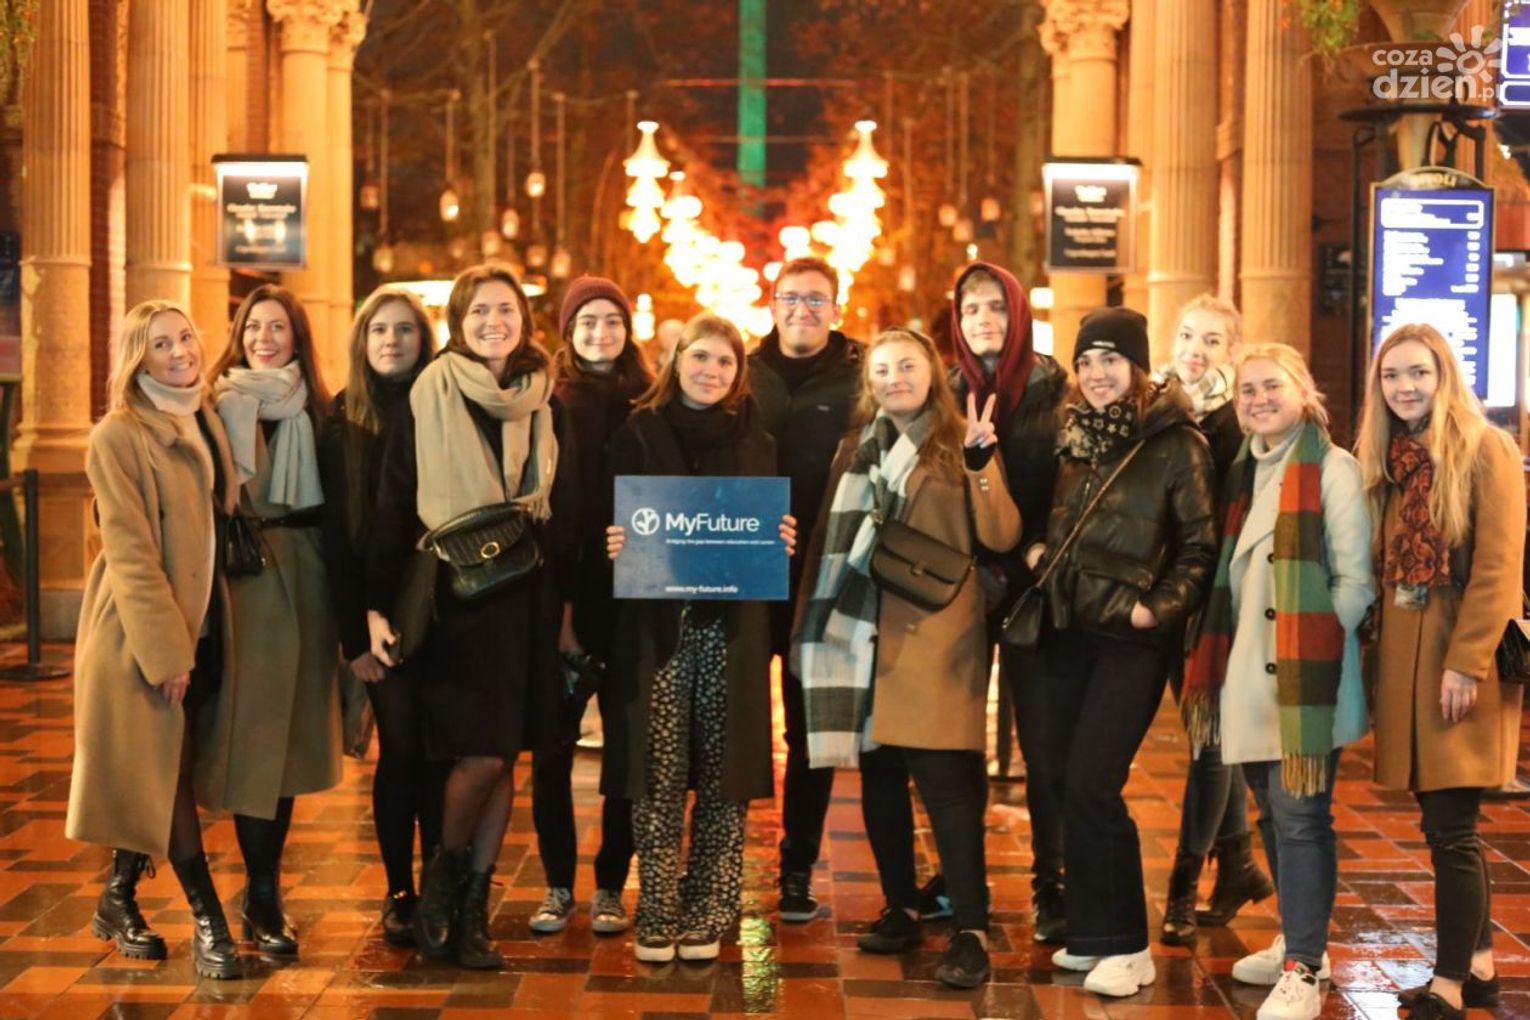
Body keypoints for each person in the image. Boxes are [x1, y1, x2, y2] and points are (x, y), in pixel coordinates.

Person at [795, 327, 1021, 989]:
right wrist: (809, 626)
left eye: (907, 366)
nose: (895, 378)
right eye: (883, 369)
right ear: (869, 383)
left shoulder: (957, 442)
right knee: (880, 777)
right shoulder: (854, 447)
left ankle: (971, 930)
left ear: (932, 375)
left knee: (946, 787)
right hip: (860, 630)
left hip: (936, 635)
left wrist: (981, 464)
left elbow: (1001, 534)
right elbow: (826, 538)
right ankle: (901, 906)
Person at [366, 263, 575, 969]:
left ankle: (474, 910)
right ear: (458, 322)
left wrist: (569, 609)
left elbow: (564, 509)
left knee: (505, 754)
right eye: (479, 310)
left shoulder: (543, 397)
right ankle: (441, 886)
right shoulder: (430, 391)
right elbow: (394, 504)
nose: (494, 322)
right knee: (479, 753)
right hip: (456, 598)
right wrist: (375, 606)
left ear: (524, 320)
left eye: (505, 310)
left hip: (528, 599)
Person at [1028, 308, 1216, 997]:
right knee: (1060, 779)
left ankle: (1129, 947)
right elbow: (1062, 523)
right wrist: (1039, 551)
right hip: (1069, 629)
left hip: (1130, 641)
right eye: (1085, 362)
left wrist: (1152, 610)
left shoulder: (1176, 442)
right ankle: (1092, 933)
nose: (1095, 374)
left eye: (1109, 359)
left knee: (1093, 783)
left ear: (1137, 367)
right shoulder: (1076, 437)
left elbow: (1200, 547)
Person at [1182, 344, 1373, 1020]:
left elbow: (1356, 582)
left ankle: (1306, 969)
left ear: (1303, 391)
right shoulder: (1244, 471)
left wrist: (1307, 650)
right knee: (1273, 812)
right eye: (1248, 390)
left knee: (1301, 819)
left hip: (1302, 681)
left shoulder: (1332, 468)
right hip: (1247, 677)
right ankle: (1296, 938)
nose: (1259, 399)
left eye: (1272, 386)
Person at [604, 314, 795, 964]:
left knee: (724, 772)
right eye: (701, 357)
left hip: (730, 628)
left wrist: (782, 538)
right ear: (677, 360)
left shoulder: (757, 442)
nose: (711, 371)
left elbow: (765, 530)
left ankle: (710, 909)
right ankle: (657, 909)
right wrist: (612, 541)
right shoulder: (636, 433)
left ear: (739, 374)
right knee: (656, 771)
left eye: (724, 361)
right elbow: (604, 523)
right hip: (655, 628)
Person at [66, 301, 246, 979]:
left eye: (185, 338)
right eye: (161, 344)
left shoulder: (202, 417)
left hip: (203, 623)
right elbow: (132, 553)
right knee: (166, 775)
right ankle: (209, 922)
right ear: (138, 358)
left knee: (166, 767)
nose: (180, 353)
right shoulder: (117, 435)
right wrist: (168, 653)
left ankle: (117, 897)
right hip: (140, 635)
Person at [1356, 323, 1524, 1020]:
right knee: (1443, 822)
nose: (1405, 387)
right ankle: (1478, 963)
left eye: (1418, 373)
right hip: (1409, 657)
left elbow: (1498, 568)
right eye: (1392, 375)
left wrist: (1466, 664)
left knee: (1453, 826)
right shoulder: (1392, 457)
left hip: (1461, 659)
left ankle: (1449, 984)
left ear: (1444, 375)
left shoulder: (1486, 448)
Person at [204, 284, 342, 959]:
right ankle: (261, 894)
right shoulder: (213, 404)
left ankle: (264, 889)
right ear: (239, 335)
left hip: (309, 578)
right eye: (254, 326)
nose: (264, 338)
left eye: (278, 327)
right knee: (253, 738)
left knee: (287, 743)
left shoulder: (319, 410)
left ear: (297, 338)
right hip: (245, 581)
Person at [319, 286, 445, 948]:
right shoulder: (344, 418)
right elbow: (336, 536)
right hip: (378, 609)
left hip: (444, 604)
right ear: (362, 342)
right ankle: (400, 890)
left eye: (404, 330)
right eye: (379, 331)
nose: (392, 340)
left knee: (442, 752)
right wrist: (356, 631)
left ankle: (441, 886)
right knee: (400, 751)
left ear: (425, 340)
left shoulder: (442, 405)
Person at [947, 261, 1069, 943]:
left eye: (996, 306)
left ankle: (1052, 883)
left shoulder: (1054, 388)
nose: (984, 320)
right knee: (953, 741)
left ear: (1018, 313)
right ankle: (959, 879)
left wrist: (1045, 546)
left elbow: (1072, 480)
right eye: (971, 309)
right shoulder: (948, 390)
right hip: (964, 588)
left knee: (1043, 745)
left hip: (1035, 587)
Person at [528, 276, 651, 936]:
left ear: (627, 331)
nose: (601, 333)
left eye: (612, 321)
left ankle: (609, 884)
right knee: (553, 750)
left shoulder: (650, 402)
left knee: (627, 754)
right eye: (588, 322)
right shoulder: (548, 402)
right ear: (569, 332)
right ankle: (556, 883)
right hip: (561, 598)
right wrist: (563, 613)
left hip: (632, 600)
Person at [748, 255, 866, 923]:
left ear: (836, 309)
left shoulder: (860, 377)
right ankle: (718, 859)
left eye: (816, 299)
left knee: (809, 731)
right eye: (791, 297)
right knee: (733, 722)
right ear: (772, 305)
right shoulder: (742, 371)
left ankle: (797, 867)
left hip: (822, 575)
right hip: (743, 573)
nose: (802, 309)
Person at [1156, 294, 1275, 946]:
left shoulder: (1238, 423)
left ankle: (1183, 884)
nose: (1194, 351)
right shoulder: (1161, 410)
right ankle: (1239, 866)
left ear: (1233, 351)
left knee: (1210, 741)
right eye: (1186, 336)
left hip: (1221, 601)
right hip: (1170, 595)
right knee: (1214, 738)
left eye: (1210, 341)